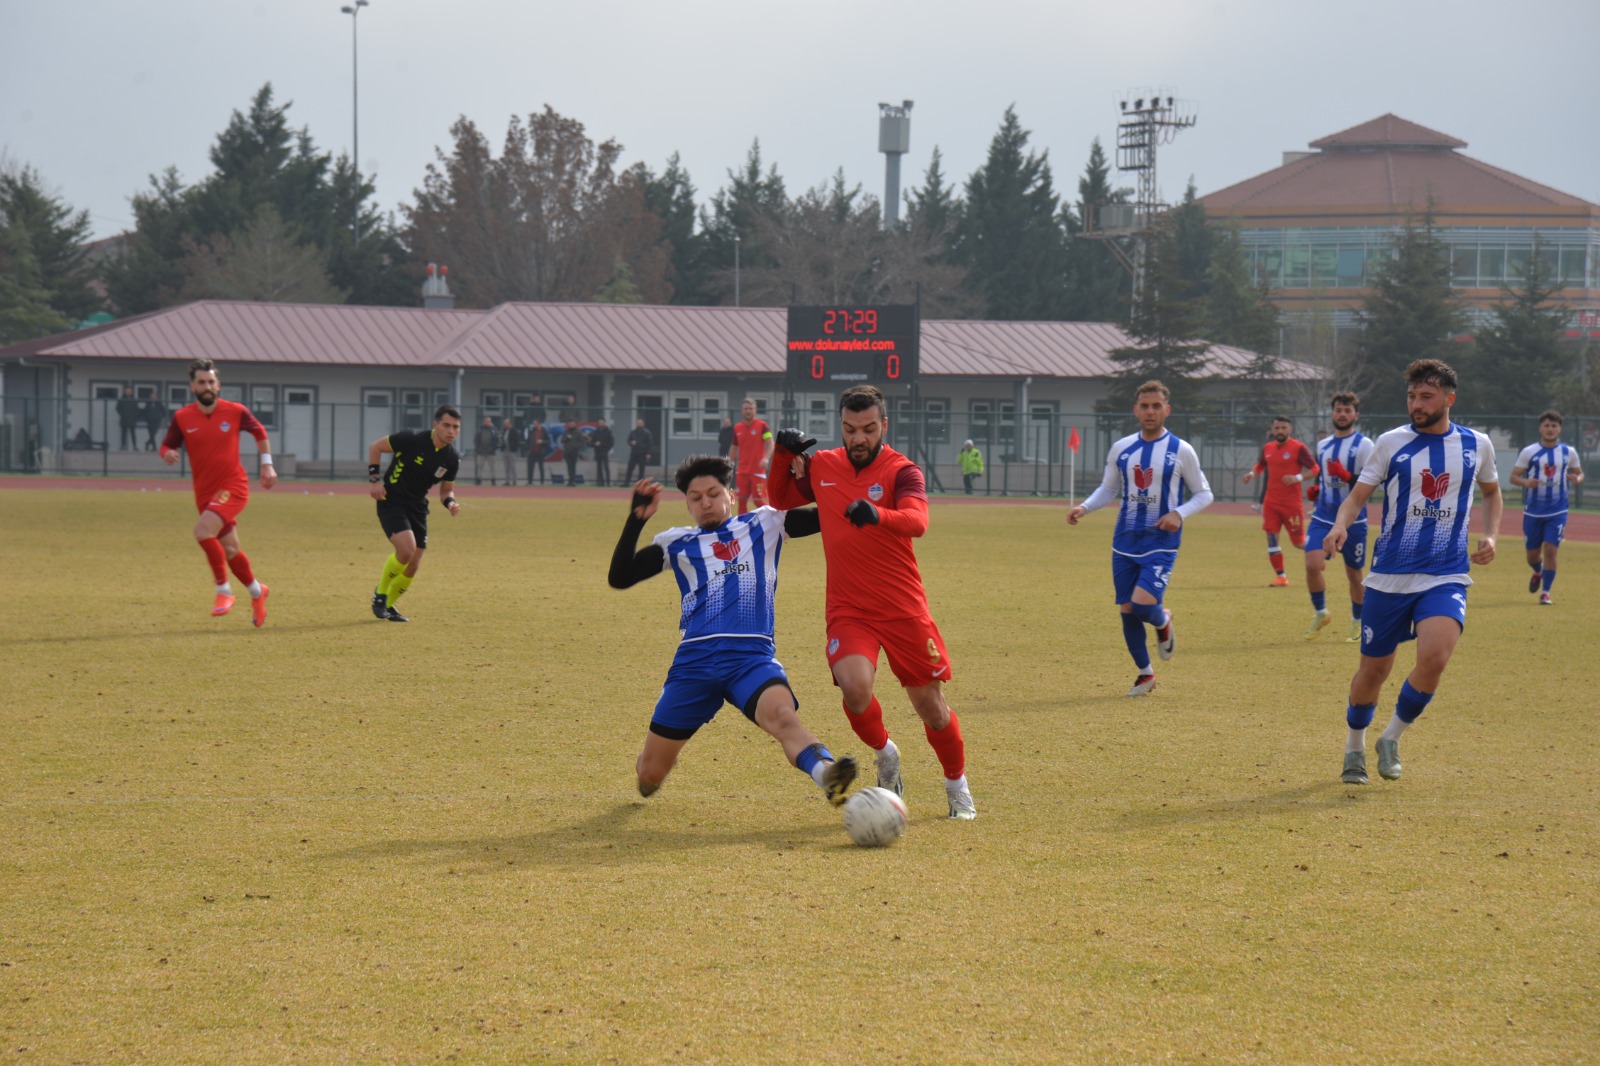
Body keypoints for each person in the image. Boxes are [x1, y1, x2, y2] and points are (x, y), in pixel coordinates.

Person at [768, 384, 977, 820]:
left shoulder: (903, 471)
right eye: (849, 429)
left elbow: (918, 522)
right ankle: (886, 752)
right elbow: (781, 499)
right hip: (849, 609)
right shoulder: (824, 466)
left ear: (884, 425)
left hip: (903, 609)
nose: (858, 438)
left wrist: (877, 514)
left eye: (867, 429)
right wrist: (783, 456)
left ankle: (956, 785)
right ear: (841, 427)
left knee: (932, 710)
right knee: (855, 688)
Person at [607, 454, 858, 806]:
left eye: (713, 493)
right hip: (694, 664)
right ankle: (657, 759)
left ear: (730, 493)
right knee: (649, 777)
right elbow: (619, 578)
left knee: (784, 719)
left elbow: (828, 515)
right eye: (696, 498)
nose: (706, 502)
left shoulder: (765, 524)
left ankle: (826, 772)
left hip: (750, 660)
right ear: (687, 504)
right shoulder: (675, 543)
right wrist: (635, 522)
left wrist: (810, 478)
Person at [1324, 359, 1502, 786]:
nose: (1416, 404)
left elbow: (1492, 493)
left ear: (1448, 399)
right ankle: (1354, 747)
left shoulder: (1477, 444)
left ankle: (1391, 737)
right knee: (1374, 671)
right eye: (1411, 396)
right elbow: (1357, 497)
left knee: (1436, 657)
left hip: (1446, 573)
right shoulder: (1390, 443)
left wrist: (1492, 536)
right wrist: (1340, 524)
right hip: (1389, 576)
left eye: (1426, 396)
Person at [1068, 380, 1213, 697]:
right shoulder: (1122, 448)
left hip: (1160, 543)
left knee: (1143, 604)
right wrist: (1085, 506)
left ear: (1167, 410)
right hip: (1124, 543)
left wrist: (1179, 514)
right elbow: (1108, 488)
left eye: (1156, 406)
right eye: (1145, 406)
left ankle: (1163, 620)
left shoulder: (1181, 450)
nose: (1150, 411)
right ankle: (1145, 675)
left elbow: (1204, 494)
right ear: (1136, 410)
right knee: (1127, 610)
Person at [158, 358, 275, 625]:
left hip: (233, 486)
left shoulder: (235, 411)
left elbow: (259, 431)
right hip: (204, 494)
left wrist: (267, 465)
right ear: (193, 386)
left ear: (218, 384)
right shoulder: (182, 417)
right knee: (231, 549)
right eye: (202, 382)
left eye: (211, 381)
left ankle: (223, 591)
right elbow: (166, 445)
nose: (207, 386)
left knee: (201, 532)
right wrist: (168, 453)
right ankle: (258, 592)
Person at [367, 404, 462, 622]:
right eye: (446, 425)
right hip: (391, 501)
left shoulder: (452, 458)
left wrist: (451, 503)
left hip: (417, 506)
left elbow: (446, 491)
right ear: (435, 425)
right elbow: (375, 447)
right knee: (406, 550)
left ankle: (389, 606)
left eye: (456, 427)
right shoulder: (410, 438)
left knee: (414, 562)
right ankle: (380, 595)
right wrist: (374, 481)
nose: (451, 431)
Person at [1303, 392, 1376, 641]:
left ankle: (1357, 621)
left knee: (1354, 574)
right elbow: (1324, 478)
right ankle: (1321, 612)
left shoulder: (1365, 445)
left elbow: (1372, 483)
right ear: (1332, 413)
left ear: (1355, 415)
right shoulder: (1323, 445)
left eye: (1347, 411)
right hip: (1323, 516)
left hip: (1353, 521)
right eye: (1338, 410)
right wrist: (1317, 489)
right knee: (1312, 565)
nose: (1342, 414)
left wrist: (1347, 476)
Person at [1511, 410, 1584, 606]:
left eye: (1554, 426)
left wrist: (1577, 478)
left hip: (1558, 510)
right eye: (1547, 425)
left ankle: (1545, 593)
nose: (1550, 429)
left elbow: (1579, 473)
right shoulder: (1529, 452)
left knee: (1551, 550)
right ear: (1540, 428)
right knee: (1532, 556)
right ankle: (1537, 571)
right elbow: (1514, 477)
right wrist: (1526, 482)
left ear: (1559, 429)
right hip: (1533, 511)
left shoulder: (1569, 453)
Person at [1241, 416, 1318, 586]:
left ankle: (1319, 553)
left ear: (1290, 430)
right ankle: (1281, 576)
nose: (1280, 431)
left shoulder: (1299, 448)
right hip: (1271, 503)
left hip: (1291, 504)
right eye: (1277, 428)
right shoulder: (1268, 447)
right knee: (1271, 538)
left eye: (1284, 428)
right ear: (1272, 430)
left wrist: (1297, 477)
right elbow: (1261, 464)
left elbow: (1315, 469)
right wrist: (1252, 474)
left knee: (1298, 542)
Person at [729, 397, 773, 515]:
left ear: (755, 410)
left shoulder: (762, 426)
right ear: (742, 411)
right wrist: (728, 463)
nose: (748, 411)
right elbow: (734, 447)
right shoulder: (737, 428)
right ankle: (742, 528)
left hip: (757, 471)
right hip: (742, 471)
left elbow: (770, 443)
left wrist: (766, 458)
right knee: (742, 501)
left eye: (750, 408)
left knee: (759, 501)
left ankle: (771, 519)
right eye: (745, 408)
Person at [625, 418, 654, 482]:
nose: (639, 424)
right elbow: (628, 440)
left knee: (641, 470)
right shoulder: (633, 432)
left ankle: (639, 484)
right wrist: (631, 443)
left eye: (640, 423)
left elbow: (650, 444)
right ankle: (626, 483)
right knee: (630, 468)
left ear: (643, 424)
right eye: (638, 423)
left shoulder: (647, 433)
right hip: (634, 453)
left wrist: (648, 453)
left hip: (642, 453)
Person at [473, 415, 497, 485]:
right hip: (481, 452)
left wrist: (493, 449)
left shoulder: (493, 430)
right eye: (486, 421)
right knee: (480, 466)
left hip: (491, 452)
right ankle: (479, 480)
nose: (487, 422)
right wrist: (478, 448)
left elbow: (496, 440)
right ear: (484, 422)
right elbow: (476, 440)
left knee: (492, 467)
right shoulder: (480, 429)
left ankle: (493, 480)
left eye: (489, 421)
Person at [591, 417, 615, 487]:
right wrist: (595, 444)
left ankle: (608, 482)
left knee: (606, 467)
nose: (600, 423)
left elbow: (611, 442)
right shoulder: (596, 431)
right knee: (599, 468)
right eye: (599, 422)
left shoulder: (608, 431)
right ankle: (600, 482)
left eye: (602, 422)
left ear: (604, 422)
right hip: (597, 452)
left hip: (604, 451)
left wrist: (606, 448)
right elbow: (592, 442)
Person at [499, 417, 523, 487]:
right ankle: (507, 481)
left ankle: (514, 481)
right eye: (504, 424)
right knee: (506, 467)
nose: (505, 425)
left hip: (511, 451)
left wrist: (514, 448)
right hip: (505, 450)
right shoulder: (504, 430)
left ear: (510, 424)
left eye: (506, 423)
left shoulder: (514, 431)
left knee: (512, 466)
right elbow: (502, 439)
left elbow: (516, 441)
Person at [561, 420, 585, 486]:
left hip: (574, 452)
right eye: (570, 424)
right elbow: (562, 440)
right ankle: (570, 481)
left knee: (573, 466)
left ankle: (573, 481)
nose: (571, 425)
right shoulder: (566, 431)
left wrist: (576, 446)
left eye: (572, 424)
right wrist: (567, 438)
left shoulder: (578, 432)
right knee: (569, 466)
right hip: (567, 451)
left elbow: (582, 442)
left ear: (575, 424)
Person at [526, 420, 549, 485]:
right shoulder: (531, 431)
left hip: (540, 452)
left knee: (541, 467)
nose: (534, 425)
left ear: (539, 424)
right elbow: (528, 441)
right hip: (532, 452)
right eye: (533, 424)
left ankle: (542, 482)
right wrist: (528, 450)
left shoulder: (543, 431)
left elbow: (548, 441)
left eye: (535, 424)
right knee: (530, 468)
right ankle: (530, 481)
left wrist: (542, 441)